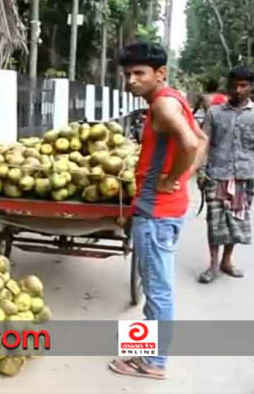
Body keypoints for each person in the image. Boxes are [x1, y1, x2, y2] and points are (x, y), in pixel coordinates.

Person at [108, 42, 208, 380]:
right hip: (169, 210)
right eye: (127, 74)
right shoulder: (174, 99)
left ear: (160, 74)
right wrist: (183, 178)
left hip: (156, 214)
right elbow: (202, 140)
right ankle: (144, 353)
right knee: (157, 286)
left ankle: (153, 362)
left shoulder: (163, 106)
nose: (131, 80)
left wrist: (171, 178)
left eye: (139, 73)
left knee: (158, 289)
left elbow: (192, 144)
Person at [197, 66, 254, 284]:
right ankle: (212, 265)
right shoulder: (214, 113)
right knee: (215, 222)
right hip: (216, 174)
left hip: (243, 177)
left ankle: (227, 262)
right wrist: (201, 171)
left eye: (243, 85)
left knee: (235, 222)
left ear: (250, 88)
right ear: (227, 87)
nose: (238, 90)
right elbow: (203, 144)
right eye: (234, 85)